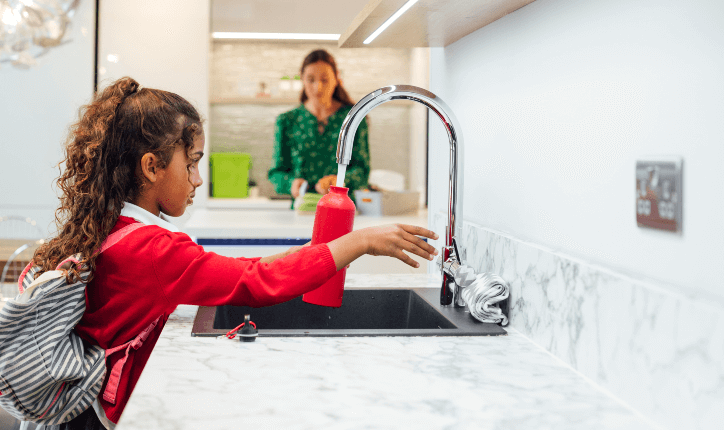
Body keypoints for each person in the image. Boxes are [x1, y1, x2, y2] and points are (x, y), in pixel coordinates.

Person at [29, 77, 438, 429]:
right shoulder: (152, 249)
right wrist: (359, 242)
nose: (198, 178)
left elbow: (238, 270)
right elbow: (255, 282)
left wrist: (321, 251)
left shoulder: (116, 227)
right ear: (152, 167)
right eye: (190, 164)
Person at [268, 49, 369, 200]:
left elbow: (362, 171)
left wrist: (340, 181)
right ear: (302, 79)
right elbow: (276, 173)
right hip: (301, 210)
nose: (318, 87)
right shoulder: (286, 121)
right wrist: (291, 183)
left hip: (342, 209)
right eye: (311, 80)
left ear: (336, 79)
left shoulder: (353, 118)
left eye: (325, 80)